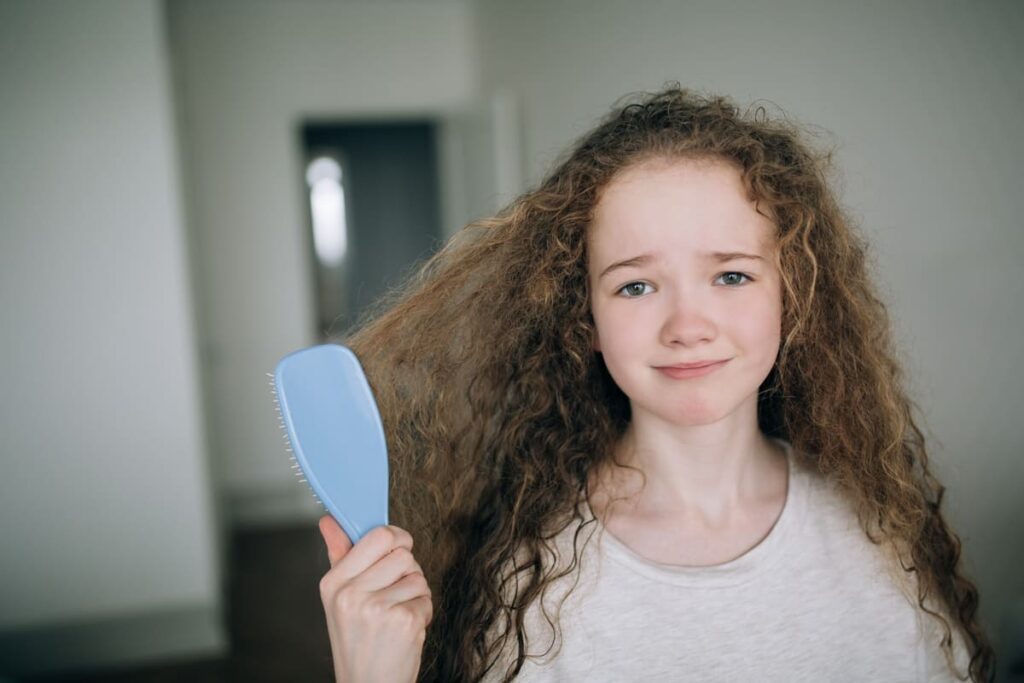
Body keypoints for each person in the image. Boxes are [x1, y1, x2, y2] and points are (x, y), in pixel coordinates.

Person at [315, 86, 996, 682]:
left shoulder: (880, 540)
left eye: (731, 274)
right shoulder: (527, 585)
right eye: (636, 285)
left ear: (794, 293)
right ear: (584, 315)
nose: (687, 325)